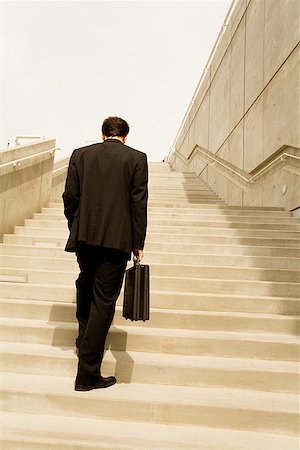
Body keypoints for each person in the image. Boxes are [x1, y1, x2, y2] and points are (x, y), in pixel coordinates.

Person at [62, 116, 148, 391]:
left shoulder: (80, 155)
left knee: (85, 288)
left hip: (84, 237)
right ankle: (87, 374)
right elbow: (138, 202)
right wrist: (137, 242)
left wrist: (76, 224)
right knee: (103, 302)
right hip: (116, 240)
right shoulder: (136, 159)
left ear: (103, 135)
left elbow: (70, 197)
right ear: (125, 136)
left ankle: (82, 342)